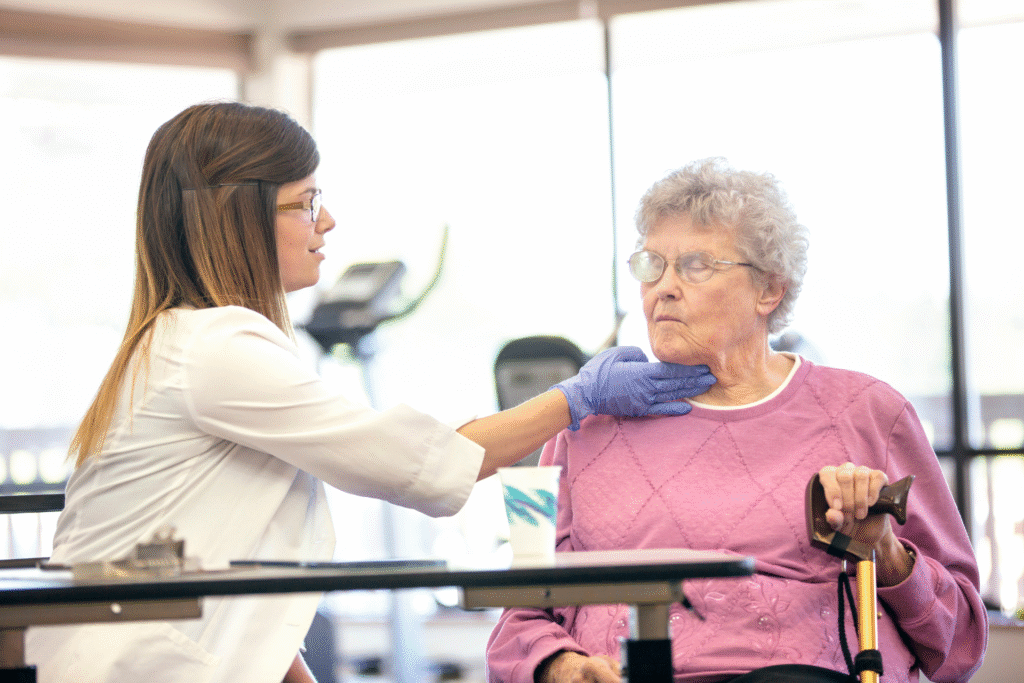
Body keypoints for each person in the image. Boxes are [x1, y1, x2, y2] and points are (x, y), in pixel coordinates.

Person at [24, 102, 716, 683]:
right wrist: (575, 397)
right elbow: (409, 462)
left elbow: (225, 566)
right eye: (307, 202)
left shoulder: (179, 340)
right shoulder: (217, 348)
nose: (327, 223)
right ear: (240, 216)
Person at [485, 158, 987, 683]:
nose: (663, 288)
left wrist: (883, 550)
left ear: (769, 289)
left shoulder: (869, 412)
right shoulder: (581, 427)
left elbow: (962, 644)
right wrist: (561, 667)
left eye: (696, 266)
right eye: (652, 264)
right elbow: (519, 617)